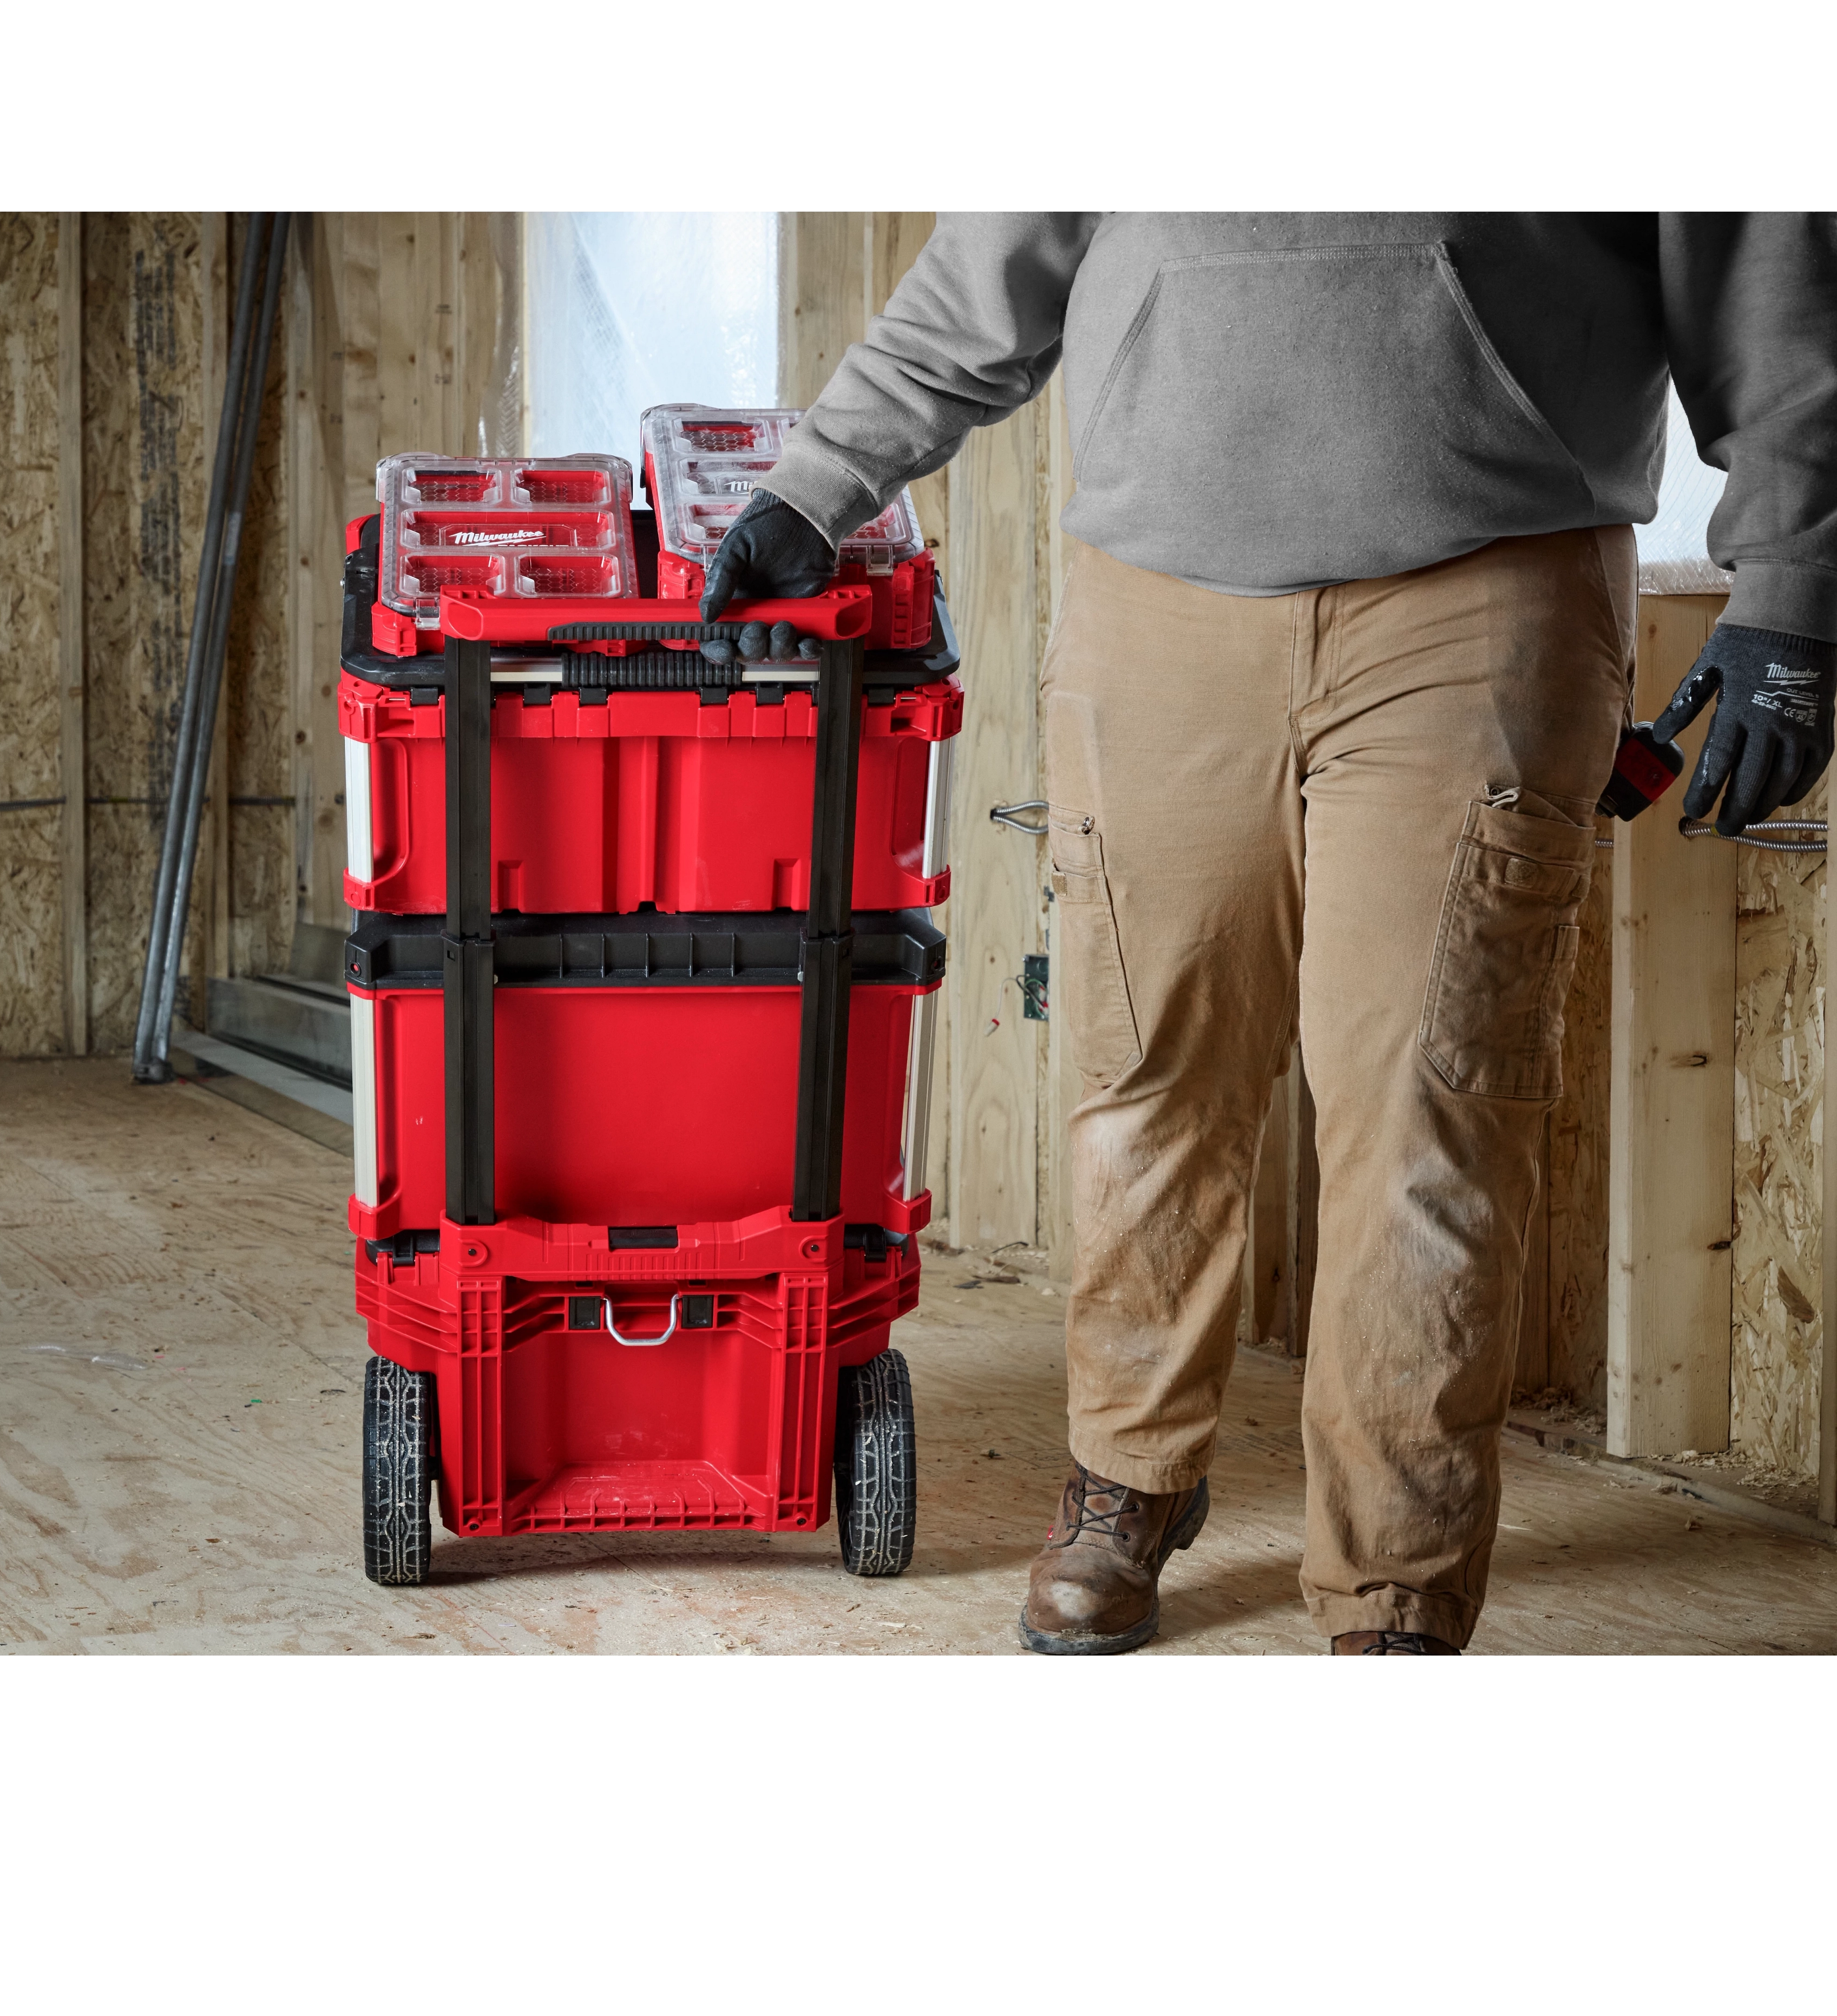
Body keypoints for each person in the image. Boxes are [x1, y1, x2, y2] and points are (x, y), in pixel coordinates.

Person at [706, 213, 1837, 1656]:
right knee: (1146, 1077)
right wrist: (816, 486)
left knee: (1436, 1107)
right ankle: (1128, 1478)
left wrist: (1793, 593)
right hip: (1158, 596)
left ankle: (1397, 1578)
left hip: (1486, 590)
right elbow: (995, 263)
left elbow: (1767, 279)